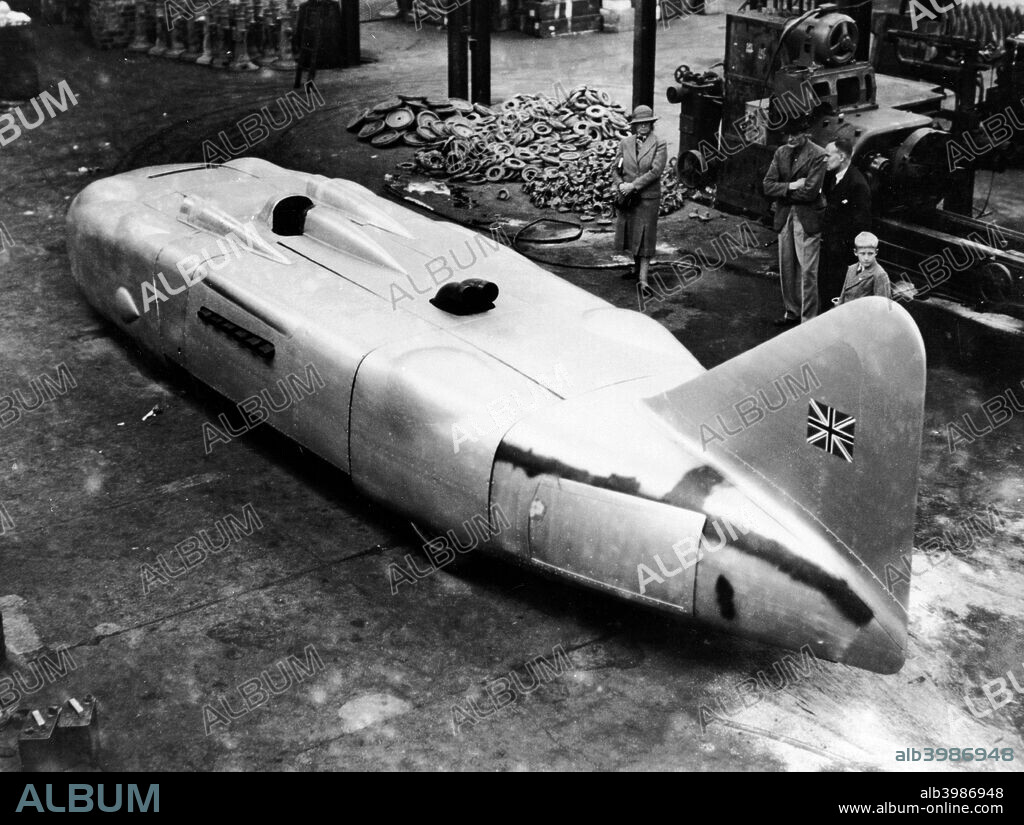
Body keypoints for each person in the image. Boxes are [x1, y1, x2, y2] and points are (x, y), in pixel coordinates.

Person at [762, 117, 828, 326]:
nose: (790, 138)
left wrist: (782, 193)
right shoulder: (781, 152)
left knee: (807, 271)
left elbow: (810, 192)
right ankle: (792, 312)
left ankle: (808, 320)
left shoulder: (819, 155)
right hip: (785, 217)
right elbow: (767, 185)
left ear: (805, 134)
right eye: (787, 135)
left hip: (807, 219)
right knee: (787, 267)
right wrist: (791, 186)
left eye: (795, 135)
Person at [611, 105, 668, 286]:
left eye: (647, 123)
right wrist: (620, 184)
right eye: (640, 123)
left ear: (651, 125)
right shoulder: (625, 143)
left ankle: (643, 279)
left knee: (645, 236)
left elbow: (655, 171)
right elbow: (615, 168)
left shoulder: (659, 144)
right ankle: (636, 270)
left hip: (647, 198)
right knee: (633, 233)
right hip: (628, 198)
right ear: (634, 125)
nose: (643, 126)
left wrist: (633, 186)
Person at [820, 137, 871, 308]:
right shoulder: (830, 177)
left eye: (828, 155)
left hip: (841, 255)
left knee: (837, 295)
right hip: (827, 249)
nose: (824, 159)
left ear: (841, 157)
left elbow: (860, 224)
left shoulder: (858, 185)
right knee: (825, 291)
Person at [835, 232, 891, 304]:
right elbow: (842, 296)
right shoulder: (851, 269)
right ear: (855, 252)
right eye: (862, 253)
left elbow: (882, 305)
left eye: (870, 253)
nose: (866, 258)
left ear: (876, 252)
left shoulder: (879, 274)